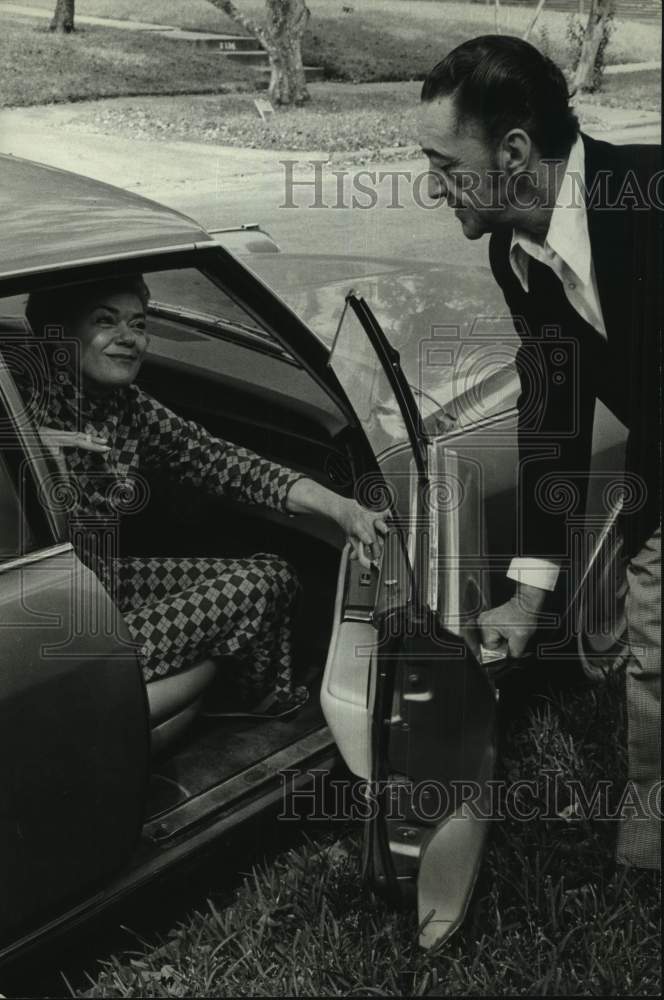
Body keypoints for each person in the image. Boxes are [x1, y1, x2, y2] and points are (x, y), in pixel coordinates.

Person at [418, 36, 661, 869]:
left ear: (515, 153)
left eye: (445, 164)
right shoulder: (514, 252)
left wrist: (644, 550)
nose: (432, 186)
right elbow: (553, 415)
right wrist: (527, 601)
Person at [22, 276, 389, 718]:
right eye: (105, 321)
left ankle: (251, 711)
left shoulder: (126, 406)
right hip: (45, 631)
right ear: (58, 331)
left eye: (138, 324)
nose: (129, 339)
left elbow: (221, 461)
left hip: (98, 582)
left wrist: (343, 509)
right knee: (253, 589)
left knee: (274, 578)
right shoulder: (19, 396)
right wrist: (22, 443)